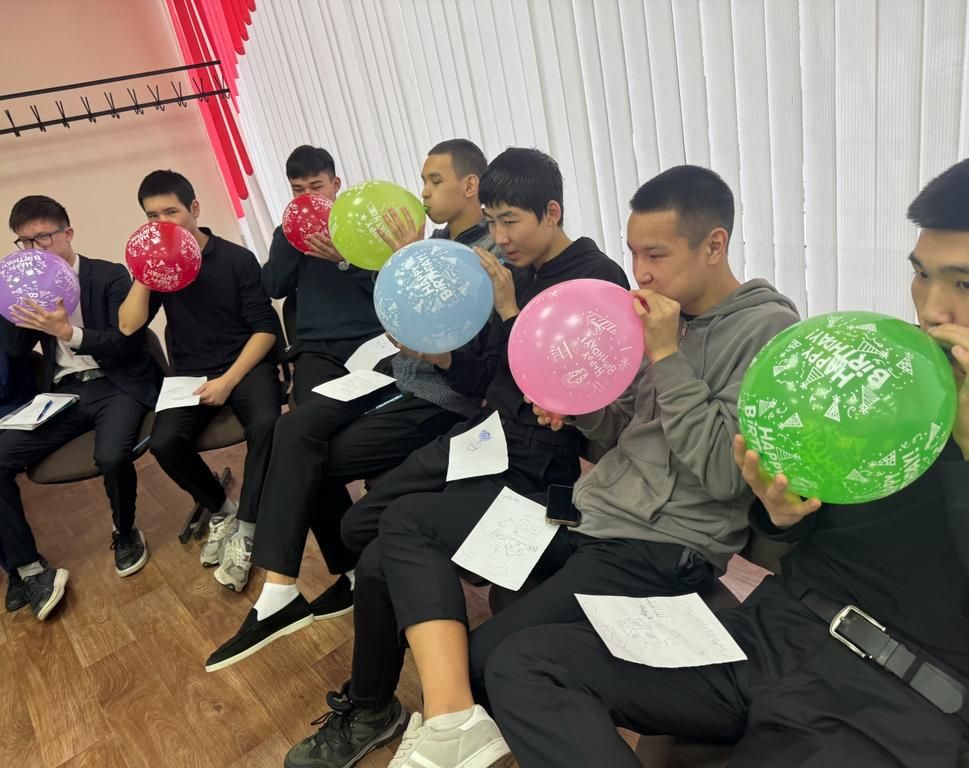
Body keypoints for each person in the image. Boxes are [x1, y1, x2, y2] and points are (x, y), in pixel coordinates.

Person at [484, 144, 969, 768]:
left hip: (894, 697)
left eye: (966, 283)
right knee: (525, 664)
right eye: (922, 273)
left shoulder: (768, 326)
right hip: (772, 631)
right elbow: (820, 521)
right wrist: (783, 513)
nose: (930, 308)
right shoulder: (889, 379)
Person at [277, 147, 635, 768]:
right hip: (485, 437)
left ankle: (377, 707)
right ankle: (419, 667)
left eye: (510, 221)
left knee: (385, 551)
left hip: (535, 468)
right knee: (358, 527)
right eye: (491, 221)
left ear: (552, 212)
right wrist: (438, 353)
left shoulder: (594, 280)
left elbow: (565, 394)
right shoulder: (509, 269)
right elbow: (483, 377)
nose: (500, 237)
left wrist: (511, 312)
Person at [207, 139, 500, 670]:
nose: (423, 192)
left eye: (434, 181)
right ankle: (286, 588)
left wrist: (403, 260)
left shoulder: (486, 256)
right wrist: (404, 260)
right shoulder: (437, 241)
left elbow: (455, 345)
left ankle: (322, 582)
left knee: (303, 455)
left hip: (436, 396)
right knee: (290, 433)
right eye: (424, 180)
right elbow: (394, 313)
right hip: (391, 372)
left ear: (470, 185)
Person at [118, 170, 281, 592]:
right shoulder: (159, 268)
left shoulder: (236, 259)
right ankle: (222, 509)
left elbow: (266, 329)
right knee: (164, 443)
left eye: (170, 212)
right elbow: (129, 325)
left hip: (244, 364)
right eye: (152, 216)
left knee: (267, 425)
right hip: (189, 371)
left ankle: (248, 529)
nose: (162, 224)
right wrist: (144, 272)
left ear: (194, 208)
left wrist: (228, 380)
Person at [0, 195, 160, 619]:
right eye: (24, 243)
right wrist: (15, 311)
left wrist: (68, 332)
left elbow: (127, 343)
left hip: (116, 383)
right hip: (64, 394)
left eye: (42, 238)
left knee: (111, 456)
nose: (34, 251)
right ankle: (29, 568)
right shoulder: (30, 287)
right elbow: (15, 351)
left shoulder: (108, 275)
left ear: (67, 234)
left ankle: (124, 531)